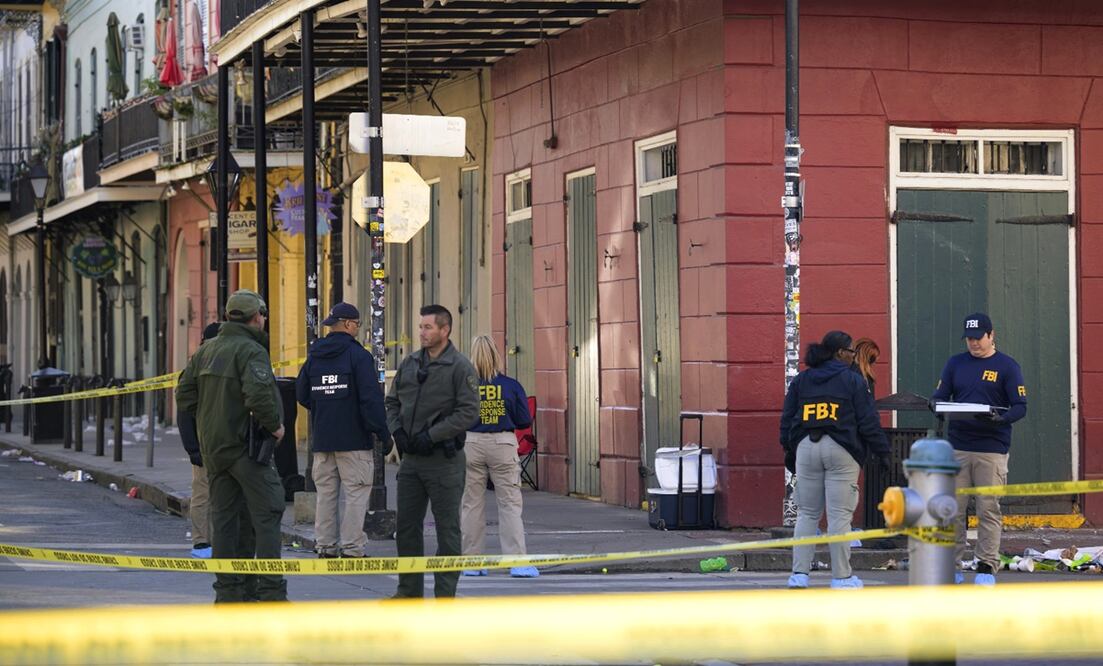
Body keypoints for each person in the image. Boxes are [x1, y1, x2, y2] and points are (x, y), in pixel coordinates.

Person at [176, 290, 288, 603]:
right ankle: (270, 591)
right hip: (245, 448)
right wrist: (275, 427)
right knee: (268, 511)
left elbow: (183, 395)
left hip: (214, 450)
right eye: (262, 316)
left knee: (226, 520)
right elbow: (259, 396)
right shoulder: (251, 350)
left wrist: (210, 416)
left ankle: (229, 592)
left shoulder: (206, 350)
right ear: (257, 317)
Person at [779, 330, 890, 589]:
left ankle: (799, 575)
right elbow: (868, 421)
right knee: (839, 516)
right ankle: (841, 577)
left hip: (806, 447)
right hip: (842, 449)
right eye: (851, 351)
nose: (853, 356)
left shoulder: (802, 379)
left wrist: (789, 449)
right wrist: (882, 451)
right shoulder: (853, 381)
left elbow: (787, 418)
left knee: (807, 514)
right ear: (840, 353)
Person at [385, 304, 480, 598]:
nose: (422, 332)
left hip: (444, 461)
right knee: (406, 528)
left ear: (444, 330)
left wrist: (432, 435)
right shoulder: (410, 363)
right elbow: (392, 402)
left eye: (428, 327)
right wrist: (397, 431)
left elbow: (468, 412)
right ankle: (408, 592)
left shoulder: (459, 367)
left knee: (447, 531)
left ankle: (445, 596)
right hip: (412, 461)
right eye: (421, 327)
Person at [931, 313, 1027, 586]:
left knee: (988, 509)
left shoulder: (1007, 366)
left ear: (991, 335)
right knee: (953, 510)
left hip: (991, 449)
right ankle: (951, 566)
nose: (973, 343)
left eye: (978, 338)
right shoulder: (955, 363)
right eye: (969, 338)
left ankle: (986, 565)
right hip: (958, 447)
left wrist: (1001, 419)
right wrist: (936, 406)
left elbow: (1020, 406)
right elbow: (940, 396)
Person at [296, 302, 389, 558]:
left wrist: (324, 407)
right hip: (354, 440)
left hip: (323, 440)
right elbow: (370, 400)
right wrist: (383, 433)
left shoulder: (315, 355)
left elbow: (301, 393)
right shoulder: (359, 356)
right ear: (348, 324)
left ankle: (325, 546)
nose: (358, 328)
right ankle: (351, 548)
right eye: (357, 324)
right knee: (356, 494)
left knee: (326, 495)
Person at [459, 335, 536, 578]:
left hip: (471, 443)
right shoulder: (511, 386)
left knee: (471, 504)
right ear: (497, 355)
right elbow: (524, 420)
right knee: (509, 504)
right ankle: (517, 562)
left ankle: (472, 562)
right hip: (503, 444)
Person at [179, 322, 221, 558]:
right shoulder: (195, 370)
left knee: (213, 494)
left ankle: (210, 541)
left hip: (216, 443)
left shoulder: (205, 366)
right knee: (204, 494)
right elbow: (185, 414)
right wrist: (193, 449)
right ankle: (202, 541)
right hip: (206, 444)